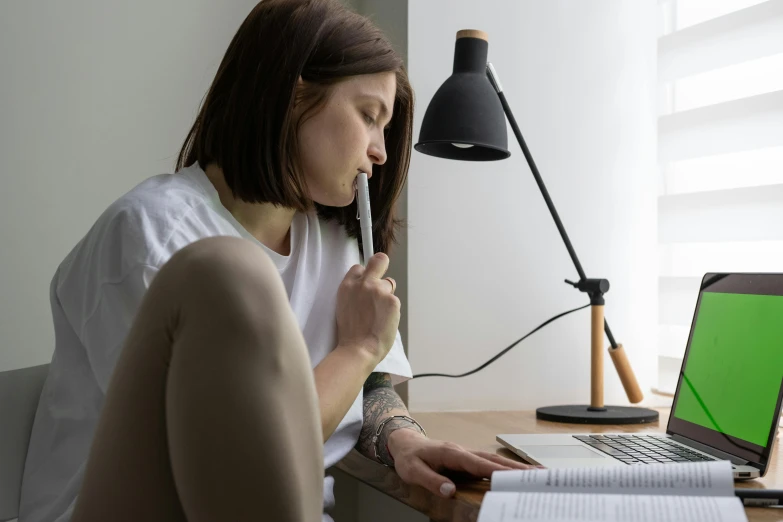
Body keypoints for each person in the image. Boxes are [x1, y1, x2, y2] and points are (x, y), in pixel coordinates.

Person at [19, 1, 535, 521]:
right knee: (230, 273)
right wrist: (357, 347)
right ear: (294, 98)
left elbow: (373, 386)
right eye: (368, 117)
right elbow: (231, 472)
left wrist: (400, 439)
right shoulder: (153, 237)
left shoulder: (334, 242)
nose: (379, 151)